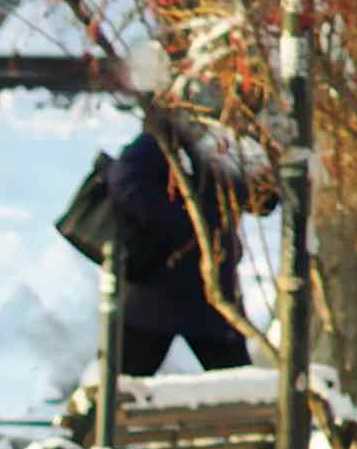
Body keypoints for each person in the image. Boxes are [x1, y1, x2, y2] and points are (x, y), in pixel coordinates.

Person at [82, 105, 261, 385]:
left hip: (210, 287)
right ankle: (90, 425)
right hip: (159, 285)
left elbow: (259, 200)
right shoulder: (173, 133)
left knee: (241, 385)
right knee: (120, 385)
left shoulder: (229, 142)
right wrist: (187, 225)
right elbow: (125, 180)